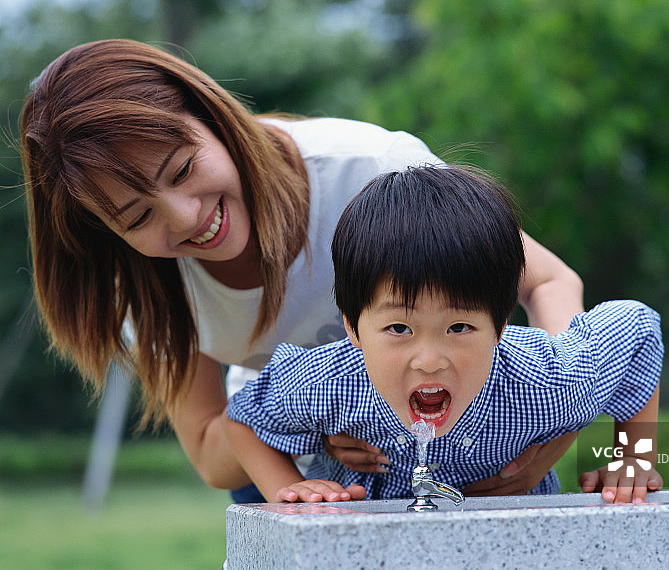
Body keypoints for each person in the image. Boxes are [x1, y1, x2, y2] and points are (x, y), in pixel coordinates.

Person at [20, 39, 584, 501]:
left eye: (184, 169)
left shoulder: (368, 171)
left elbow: (550, 281)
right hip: (295, 474)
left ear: (211, 115)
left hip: (473, 440)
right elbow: (212, 450)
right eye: (139, 216)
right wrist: (318, 422)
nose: (188, 216)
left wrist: (556, 425)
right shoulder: (144, 289)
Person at [224, 165, 664, 505]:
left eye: (459, 327)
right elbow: (244, 419)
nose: (429, 359)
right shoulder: (328, 384)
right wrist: (291, 491)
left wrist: (634, 459)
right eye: (398, 328)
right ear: (353, 327)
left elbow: (637, 329)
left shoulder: (548, 382)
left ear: (500, 325)